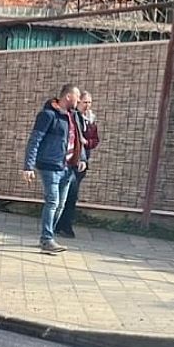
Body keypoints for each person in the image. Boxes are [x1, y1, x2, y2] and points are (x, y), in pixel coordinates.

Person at [23, 83, 85, 254]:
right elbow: (35, 140)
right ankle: (47, 239)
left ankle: (47, 236)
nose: (79, 100)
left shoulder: (74, 117)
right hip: (50, 166)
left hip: (68, 167)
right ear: (68, 96)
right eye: (77, 96)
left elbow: (79, 139)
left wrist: (82, 158)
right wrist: (28, 166)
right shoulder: (47, 115)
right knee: (52, 201)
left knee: (60, 205)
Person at [56, 91, 100, 238]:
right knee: (68, 194)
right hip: (72, 161)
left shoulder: (90, 119)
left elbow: (94, 140)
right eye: (84, 102)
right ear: (78, 102)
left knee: (71, 195)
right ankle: (62, 225)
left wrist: (88, 141)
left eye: (89, 103)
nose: (87, 106)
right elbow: (75, 140)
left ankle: (61, 225)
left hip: (82, 160)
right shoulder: (74, 116)